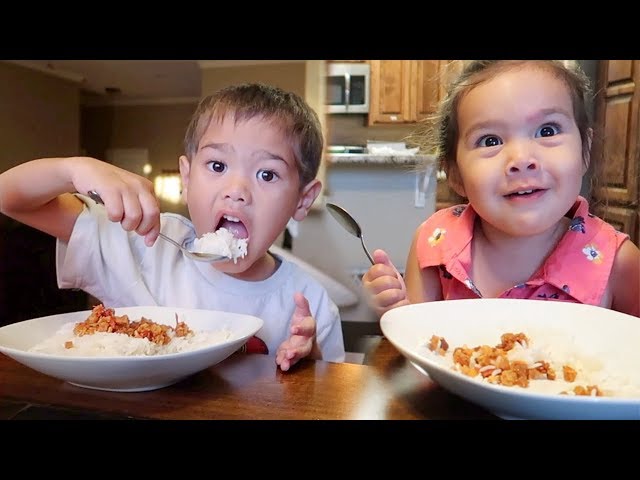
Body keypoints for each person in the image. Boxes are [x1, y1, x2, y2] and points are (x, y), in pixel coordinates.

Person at [0, 82, 346, 370]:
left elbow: (329, 396)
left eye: (267, 174)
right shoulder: (142, 242)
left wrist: (310, 361)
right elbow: (9, 198)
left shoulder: (312, 305)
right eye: (217, 165)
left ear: (302, 200)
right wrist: (72, 170)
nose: (236, 191)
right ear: (186, 177)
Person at [362, 60, 639, 318]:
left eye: (547, 131)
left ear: (585, 150)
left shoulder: (619, 262)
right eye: (490, 140)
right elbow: (415, 350)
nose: (520, 160)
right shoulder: (434, 244)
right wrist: (396, 312)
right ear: (455, 173)